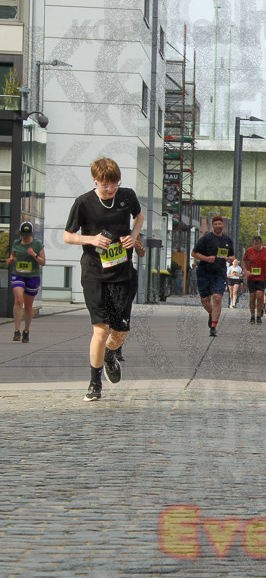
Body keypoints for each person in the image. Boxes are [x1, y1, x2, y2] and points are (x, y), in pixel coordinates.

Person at [62, 157, 144, 401]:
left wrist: (133, 234)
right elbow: (67, 236)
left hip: (122, 273)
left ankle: (111, 354)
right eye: (106, 185)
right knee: (100, 329)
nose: (111, 189)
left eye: (115, 184)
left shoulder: (127, 196)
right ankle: (94, 382)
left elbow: (138, 217)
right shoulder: (84, 203)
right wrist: (91, 239)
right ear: (95, 181)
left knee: (119, 331)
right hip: (94, 273)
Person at [191, 215, 234, 336]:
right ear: (212, 225)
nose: (218, 226)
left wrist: (230, 259)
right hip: (205, 272)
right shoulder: (206, 239)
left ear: (223, 225)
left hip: (219, 272)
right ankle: (211, 313)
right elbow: (194, 253)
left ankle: (213, 327)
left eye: (220, 224)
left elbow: (232, 256)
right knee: (205, 300)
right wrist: (206, 258)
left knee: (217, 297)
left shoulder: (227, 240)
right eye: (215, 224)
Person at [7, 221, 46, 343]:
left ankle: (26, 330)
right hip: (18, 274)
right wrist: (11, 259)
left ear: (31, 234)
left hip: (32, 276)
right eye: (23, 234)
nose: (25, 237)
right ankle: (16, 330)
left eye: (27, 234)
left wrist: (33, 254)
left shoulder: (37, 244)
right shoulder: (16, 243)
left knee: (28, 307)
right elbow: (13, 255)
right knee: (19, 300)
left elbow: (43, 262)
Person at [242, 235, 266, 324]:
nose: (256, 246)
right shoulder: (249, 250)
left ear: (261, 243)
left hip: (261, 277)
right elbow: (243, 261)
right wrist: (245, 270)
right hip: (251, 277)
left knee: (260, 296)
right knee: (252, 298)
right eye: (254, 244)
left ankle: (259, 315)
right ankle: (252, 315)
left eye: (258, 244)